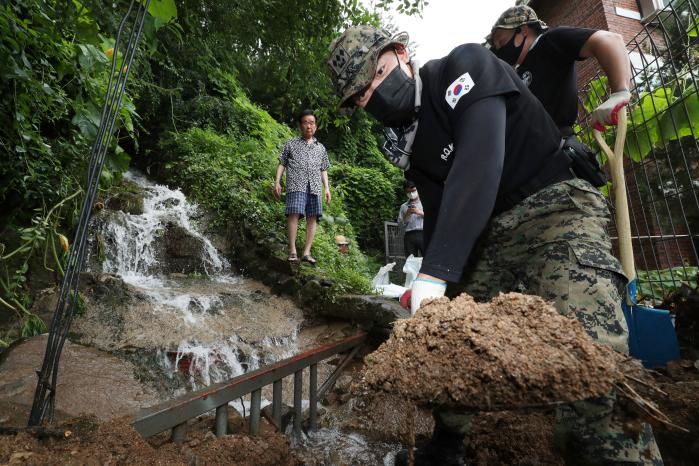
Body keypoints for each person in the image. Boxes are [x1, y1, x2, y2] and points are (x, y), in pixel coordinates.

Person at [327, 25, 661, 465]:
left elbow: (479, 162)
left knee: (589, 354)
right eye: (361, 97)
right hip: (487, 236)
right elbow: (438, 207)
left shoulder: (464, 67)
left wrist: (435, 273)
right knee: (446, 337)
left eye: (376, 77)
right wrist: (431, 282)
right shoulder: (407, 143)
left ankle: (617, 449)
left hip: (554, 209)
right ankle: (449, 440)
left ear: (401, 53)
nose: (373, 95)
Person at [488, 5, 632, 136]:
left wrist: (620, 92)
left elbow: (610, 40)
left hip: (557, 148)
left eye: (501, 41)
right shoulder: (517, 74)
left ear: (523, 30)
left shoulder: (550, 41)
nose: (499, 48)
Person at [274, 109, 331, 265]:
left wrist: (327, 188)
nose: (309, 126)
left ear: (316, 126)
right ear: (300, 125)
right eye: (305, 122)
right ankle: (292, 250)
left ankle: (306, 253)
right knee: (293, 214)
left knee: (312, 218)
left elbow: (323, 169)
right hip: (296, 184)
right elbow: (282, 163)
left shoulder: (321, 148)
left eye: (312, 123)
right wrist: (277, 182)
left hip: (315, 187)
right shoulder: (291, 144)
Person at [397, 179, 424, 257]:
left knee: (428, 259)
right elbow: (400, 225)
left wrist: (419, 212)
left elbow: (434, 217)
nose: (411, 194)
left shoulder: (425, 202)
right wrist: (407, 215)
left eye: (413, 190)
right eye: (408, 192)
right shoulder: (403, 206)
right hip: (409, 235)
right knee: (410, 261)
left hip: (424, 233)